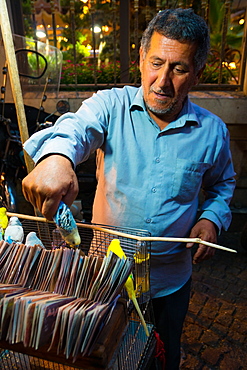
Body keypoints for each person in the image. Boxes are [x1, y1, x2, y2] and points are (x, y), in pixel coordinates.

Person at [22, 8, 235, 370]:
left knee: (161, 357)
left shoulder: (212, 133)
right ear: (140, 59)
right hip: (107, 278)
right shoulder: (110, 106)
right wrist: (58, 157)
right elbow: (77, 127)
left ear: (197, 73)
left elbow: (223, 185)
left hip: (170, 283)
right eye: (155, 63)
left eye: (179, 68)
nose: (162, 81)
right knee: (103, 355)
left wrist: (211, 220)